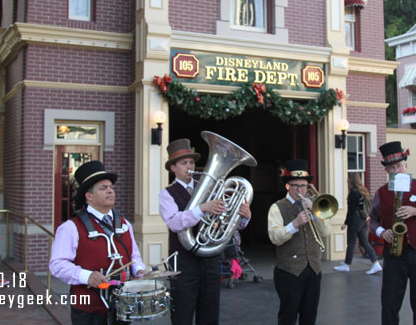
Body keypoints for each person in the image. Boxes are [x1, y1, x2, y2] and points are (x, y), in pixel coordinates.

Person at [158, 138, 251, 325]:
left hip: (210, 259)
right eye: (184, 163)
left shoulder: (209, 185)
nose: (189, 166)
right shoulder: (167, 193)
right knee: (182, 314)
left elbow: (227, 221)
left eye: (191, 162)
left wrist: (244, 216)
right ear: (173, 168)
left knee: (210, 313)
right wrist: (202, 208)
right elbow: (175, 223)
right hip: (183, 262)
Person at [50, 161, 146, 325]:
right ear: (89, 196)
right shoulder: (70, 227)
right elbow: (57, 265)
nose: (110, 191)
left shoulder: (124, 224)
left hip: (121, 304)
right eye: (103, 188)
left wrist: (139, 269)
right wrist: (86, 276)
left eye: (111, 187)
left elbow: (133, 255)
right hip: (88, 308)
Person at [369, 141, 416, 325]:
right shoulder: (381, 192)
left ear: (406, 165)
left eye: (399, 166)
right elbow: (371, 220)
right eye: (392, 168)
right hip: (394, 255)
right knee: (389, 303)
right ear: (387, 171)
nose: (397, 170)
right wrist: (382, 231)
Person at [268, 159, 332, 325]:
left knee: (309, 317)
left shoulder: (314, 204)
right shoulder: (277, 207)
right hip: (289, 271)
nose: (300, 190)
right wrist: (294, 224)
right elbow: (275, 237)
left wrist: (315, 211)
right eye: (295, 185)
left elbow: (326, 232)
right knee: (288, 317)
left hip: (314, 270)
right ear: (287, 186)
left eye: (303, 185)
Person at [334, 172, 382, 274]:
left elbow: (351, 210)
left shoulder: (353, 193)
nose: (347, 181)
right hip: (363, 219)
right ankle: (375, 263)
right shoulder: (363, 191)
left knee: (351, 243)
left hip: (355, 219)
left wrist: (345, 223)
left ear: (351, 180)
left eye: (348, 179)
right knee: (364, 242)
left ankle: (347, 265)